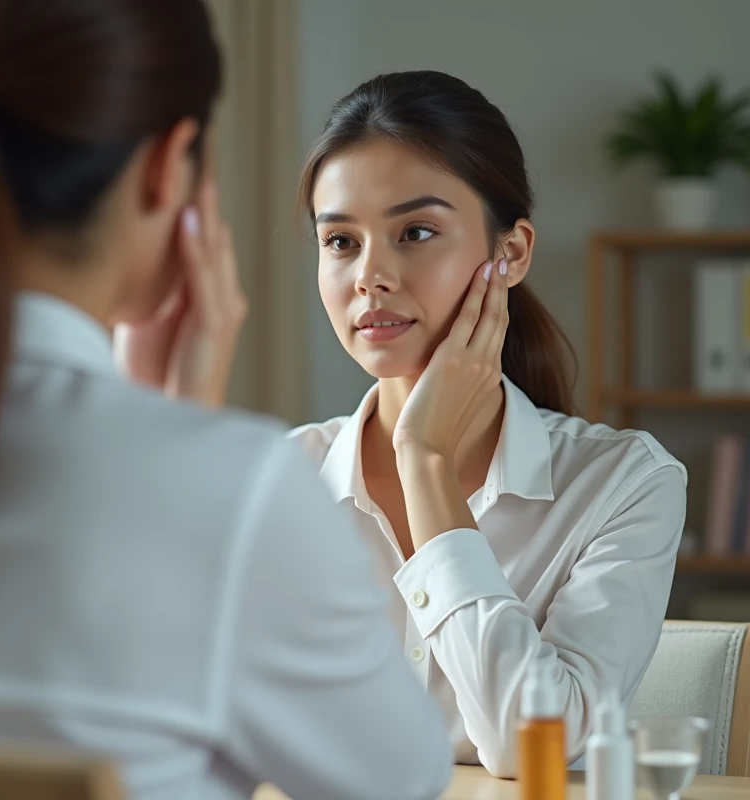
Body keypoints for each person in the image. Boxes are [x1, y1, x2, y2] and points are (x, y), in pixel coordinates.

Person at [0, 4, 455, 799]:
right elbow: (400, 783)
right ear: (172, 164)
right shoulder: (241, 490)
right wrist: (189, 432)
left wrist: (170, 427)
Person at [291, 70, 688, 777]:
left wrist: (424, 462)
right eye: (342, 242)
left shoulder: (624, 483)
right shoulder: (282, 480)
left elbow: (531, 749)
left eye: (414, 232)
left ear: (509, 254)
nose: (369, 276)